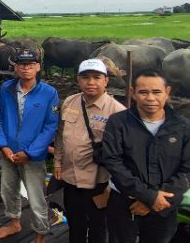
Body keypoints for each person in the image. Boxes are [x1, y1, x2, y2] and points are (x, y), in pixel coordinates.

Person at [102, 69, 190, 243]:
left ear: (167, 93)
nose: (150, 98)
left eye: (156, 92)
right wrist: (149, 197)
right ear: (132, 93)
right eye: (143, 92)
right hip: (124, 203)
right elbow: (113, 162)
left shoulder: (185, 128)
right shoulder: (118, 123)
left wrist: (154, 201)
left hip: (165, 205)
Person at [54, 58, 126, 243]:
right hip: (70, 177)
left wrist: (112, 188)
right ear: (78, 80)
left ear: (106, 81)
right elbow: (61, 135)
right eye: (85, 77)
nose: (91, 82)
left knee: (98, 226)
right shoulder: (70, 101)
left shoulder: (117, 111)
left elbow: (124, 154)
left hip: (99, 182)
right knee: (75, 224)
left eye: (96, 77)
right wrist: (57, 162)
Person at [0, 49, 59, 242]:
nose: (26, 69)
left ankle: (41, 233)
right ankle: (14, 223)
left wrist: (31, 153)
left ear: (38, 67)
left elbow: (50, 126)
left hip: (32, 155)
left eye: (30, 65)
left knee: (36, 195)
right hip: (8, 153)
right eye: (21, 65)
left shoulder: (49, 93)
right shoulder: (6, 88)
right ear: (15, 67)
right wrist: (3, 145)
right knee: (8, 190)